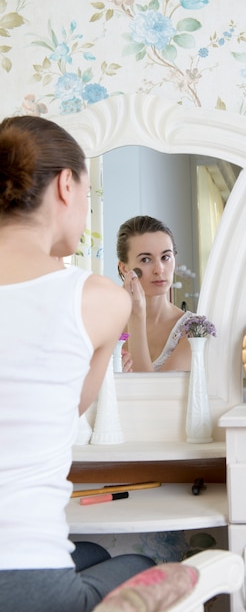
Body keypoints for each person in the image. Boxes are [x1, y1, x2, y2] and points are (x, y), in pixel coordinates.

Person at [0, 115, 155, 612]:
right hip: (22, 580)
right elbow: (75, 407)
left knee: (86, 551)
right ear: (66, 184)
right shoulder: (97, 299)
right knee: (141, 567)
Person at [116, 215, 193, 372]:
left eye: (165, 257)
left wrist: (136, 317)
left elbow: (153, 393)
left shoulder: (193, 330)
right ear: (124, 268)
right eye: (145, 259)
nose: (159, 270)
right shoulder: (107, 325)